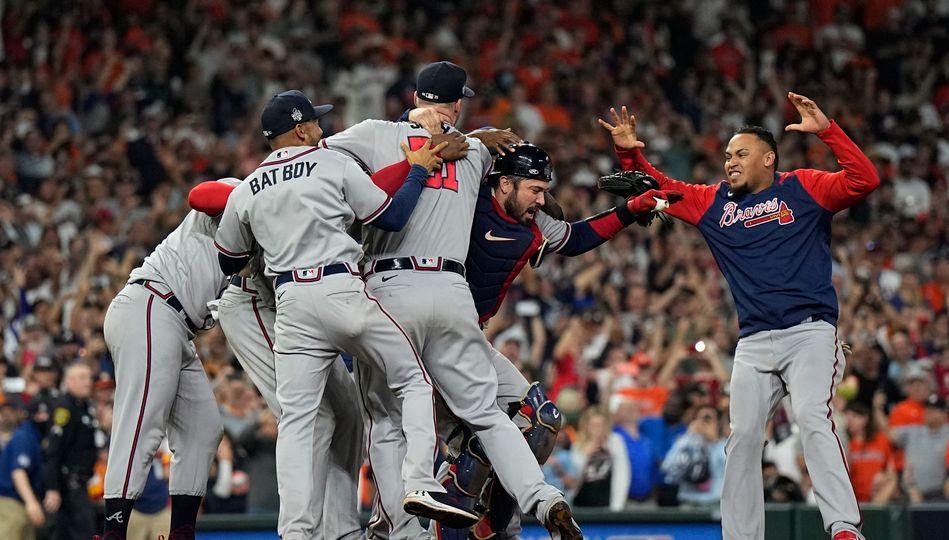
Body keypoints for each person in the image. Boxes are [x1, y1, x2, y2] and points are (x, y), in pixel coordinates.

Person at [321, 61, 591, 540]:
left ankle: (405, 532)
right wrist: (482, 136)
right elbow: (516, 178)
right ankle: (541, 496)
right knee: (487, 413)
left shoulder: (373, 133)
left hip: (391, 287)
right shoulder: (474, 154)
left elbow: (320, 162)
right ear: (457, 103)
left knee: (389, 419)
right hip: (452, 291)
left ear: (416, 96)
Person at [366, 137, 677, 540]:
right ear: (505, 184)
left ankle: (495, 526)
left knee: (542, 421)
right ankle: (435, 527)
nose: (541, 200)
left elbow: (575, 238)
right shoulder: (465, 204)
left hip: (466, 336)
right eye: (535, 190)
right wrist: (481, 136)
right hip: (415, 331)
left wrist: (630, 210)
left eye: (544, 192)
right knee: (473, 442)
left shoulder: (533, 220)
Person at [602, 92, 880, 540]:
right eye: (728, 155)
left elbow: (865, 179)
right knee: (742, 439)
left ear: (769, 159)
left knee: (812, 417)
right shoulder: (714, 204)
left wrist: (828, 131)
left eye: (741, 154)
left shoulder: (802, 186)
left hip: (810, 333)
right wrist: (628, 152)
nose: (730, 161)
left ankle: (844, 527)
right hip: (753, 342)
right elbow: (654, 186)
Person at [214, 89, 470, 539]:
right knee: (412, 379)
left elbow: (228, 259)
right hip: (342, 289)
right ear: (300, 129)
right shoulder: (330, 162)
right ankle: (419, 482)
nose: (321, 127)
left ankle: (295, 531)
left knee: (296, 421)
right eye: (314, 122)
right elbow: (388, 217)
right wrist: (415, 172)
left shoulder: (249, 186)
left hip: (291, 302)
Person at [100, 176, 239, 540]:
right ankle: (112, 532)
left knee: (204, 427)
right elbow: (202, 194)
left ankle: (181, 532)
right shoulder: (250, 189)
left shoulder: (281, 234)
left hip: (176, 326)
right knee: (142, 422)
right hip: (151, 304)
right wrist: (252, 196)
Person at [43, 362, 99, 540]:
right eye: (82, 378)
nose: (88, 382)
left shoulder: (83, 406)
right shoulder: (64, 408)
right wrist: (52, 488)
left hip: (81, 483)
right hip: (68, 485)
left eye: (89, 378)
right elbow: (53, 451)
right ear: (69, 381)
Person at [893, 395, 949, 501]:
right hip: (908, 494)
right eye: (927, 409)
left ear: (944, 414)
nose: (928, 412)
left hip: (939, 495)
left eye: (933, 410)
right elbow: (889, 435)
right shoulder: (912, 431)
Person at [0, 400, 48, 540]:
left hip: (15, 502)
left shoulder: (31, 435)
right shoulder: (24, 436)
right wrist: (31, 502)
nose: (43, 417)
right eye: (39, 414)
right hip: (10, 503)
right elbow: (18, 472)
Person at [661, 405, 726, 506]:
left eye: (708, 419)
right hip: (689, 501)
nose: (703, 424)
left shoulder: (723, 446)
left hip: (717, 503)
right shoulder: (685, 443)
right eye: (700, 419)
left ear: (717, 423)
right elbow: (668, 468)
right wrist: (689, 436)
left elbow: (729, 468)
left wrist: (714, 441)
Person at [570, 407, 629, 510]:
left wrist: (617, 507)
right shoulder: (577, 445)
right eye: (593, 425)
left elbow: (622, 474)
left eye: (600, 425)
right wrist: (585, 454)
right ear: (586, 426)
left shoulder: (615, 441)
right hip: (581, 503)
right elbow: (573, 478)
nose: (597, 429)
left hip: (606, 503)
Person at [844, 402, 897, 503]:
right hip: (852, 499)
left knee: (887, 481)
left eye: (855, 417)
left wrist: (885, 478)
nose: (850, 422)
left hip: (878, 496)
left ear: (865, 418)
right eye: (848, 418)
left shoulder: (881, 440)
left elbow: (891, 471)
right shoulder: (846, 444)